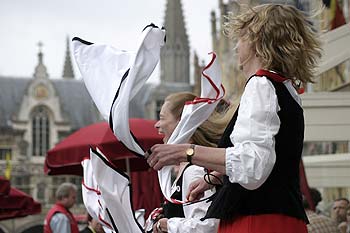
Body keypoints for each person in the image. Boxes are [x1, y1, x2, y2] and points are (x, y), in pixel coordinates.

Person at [147, 4, 322, 233]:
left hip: (258, 222)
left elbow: (254, 165)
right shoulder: (286, 89)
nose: (237, 45)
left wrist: (185, 152)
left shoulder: (261, 84)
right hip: (280, 218)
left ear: (257, 41)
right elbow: (272, 161)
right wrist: (217, 177)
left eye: (241, 38)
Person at [151, 92, 227, 233]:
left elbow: (207, 225)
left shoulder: (194, 170)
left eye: (162, 118)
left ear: (183, 123)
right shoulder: (191, 168)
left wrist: (167, 225)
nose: (157, 124)